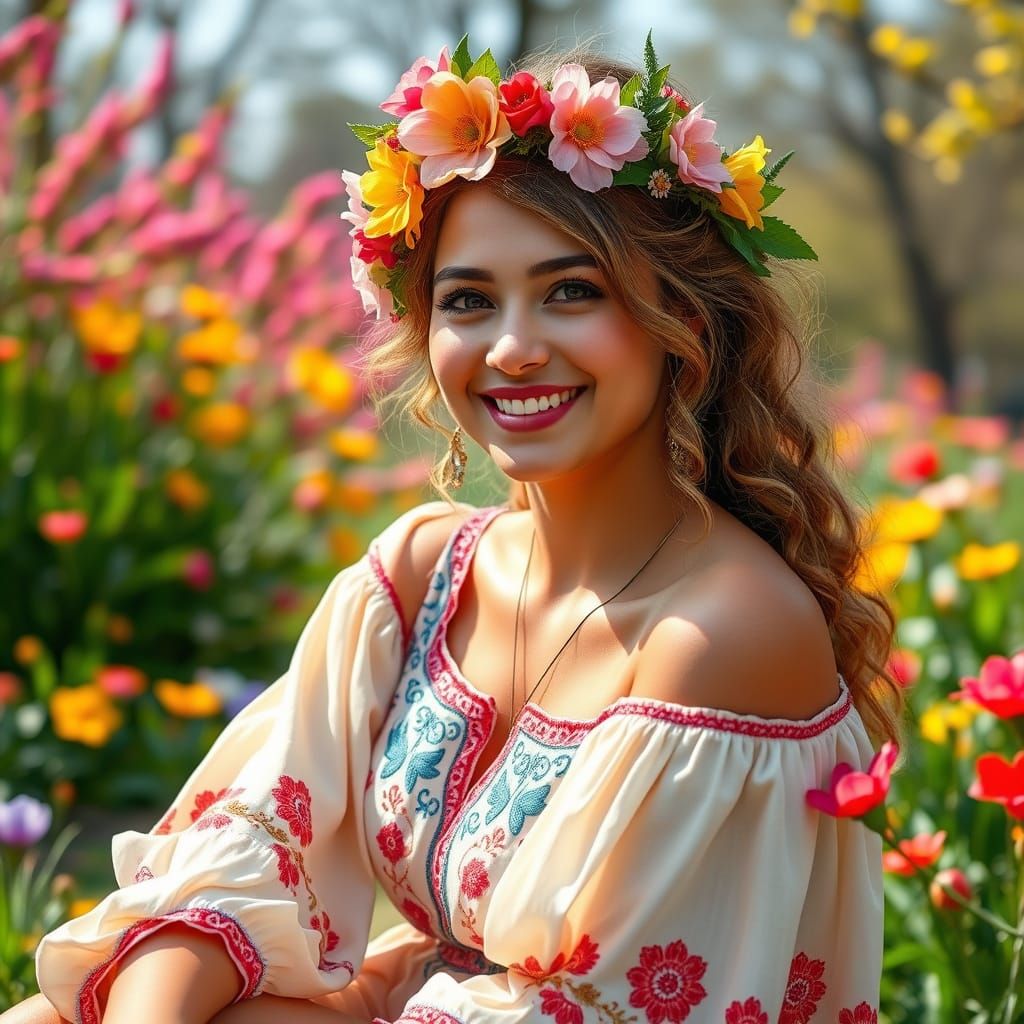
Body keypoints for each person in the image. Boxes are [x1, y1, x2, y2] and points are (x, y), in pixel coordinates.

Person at [8, 34, 902, 1024]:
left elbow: (585, 1006)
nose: (513, 349)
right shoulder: (426, 572)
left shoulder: (722, 635)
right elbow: (240, 848)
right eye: (469, 300)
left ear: (678, 319)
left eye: (572, 291)